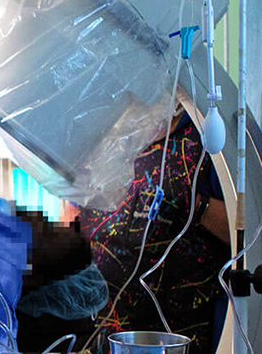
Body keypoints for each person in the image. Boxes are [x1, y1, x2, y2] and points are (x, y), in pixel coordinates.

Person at [78, 111, 230, 353]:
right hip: (104, 331)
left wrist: (197, 204)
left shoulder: (211, 134)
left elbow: (255, 234)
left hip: (176, 337)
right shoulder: (106, 128)